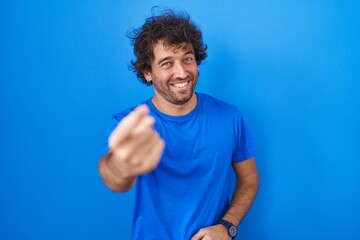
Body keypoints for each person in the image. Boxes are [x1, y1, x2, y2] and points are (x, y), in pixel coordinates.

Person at [98, 9, 259, 240]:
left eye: (187, 58)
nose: (182, 72)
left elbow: (249, 179)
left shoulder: (229, 116)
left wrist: (227, 227)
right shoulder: (129, 124)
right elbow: (114, 178)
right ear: (147, 72)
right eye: (166, 63)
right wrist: (123, 163)